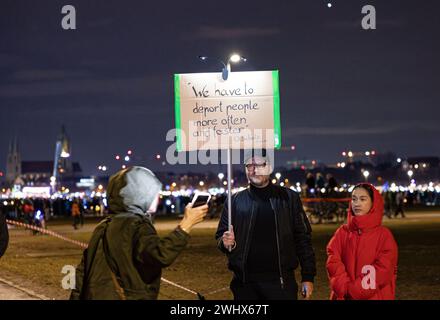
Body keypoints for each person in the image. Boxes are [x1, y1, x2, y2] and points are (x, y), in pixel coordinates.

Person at [70, 166, 208, 300]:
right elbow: (160, 255)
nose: (157, 197)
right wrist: (186, 224)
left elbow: (82, 273)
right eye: (152, 193)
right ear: (139, 195)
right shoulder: (136, 225)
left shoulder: (104, 225)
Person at [215, 150, 317, 300]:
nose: (255, 169)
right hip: (245, 286)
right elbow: (221, 235)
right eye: (250, 165)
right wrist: (225, 243)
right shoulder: (234, 201)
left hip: (281, 284)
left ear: (269, 167)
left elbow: (303, 239)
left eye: (260, 165)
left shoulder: (289, 198)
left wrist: (308, 276)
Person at [326, 183, 398, 300]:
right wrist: (343, 287)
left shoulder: (384, 236)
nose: (357, 203)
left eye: (363, 199)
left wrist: (355, 290)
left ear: (373, 203)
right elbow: (333, 261)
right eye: (354, 199)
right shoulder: (342, 232)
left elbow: (383, 270)